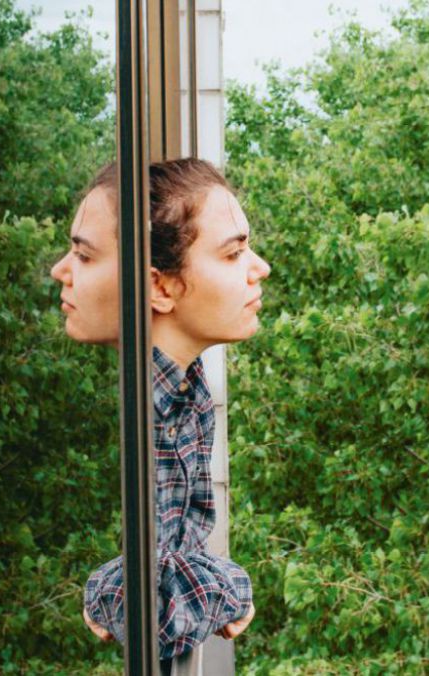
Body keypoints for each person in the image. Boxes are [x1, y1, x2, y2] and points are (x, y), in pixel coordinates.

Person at [50, 158, 268, 666]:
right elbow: (157, 611)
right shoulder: (146, 410)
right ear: (161, 287)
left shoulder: (183, 389)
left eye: (80, 255)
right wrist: (232, 585)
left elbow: (171, 565)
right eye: (235, 253)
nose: (260, 268)